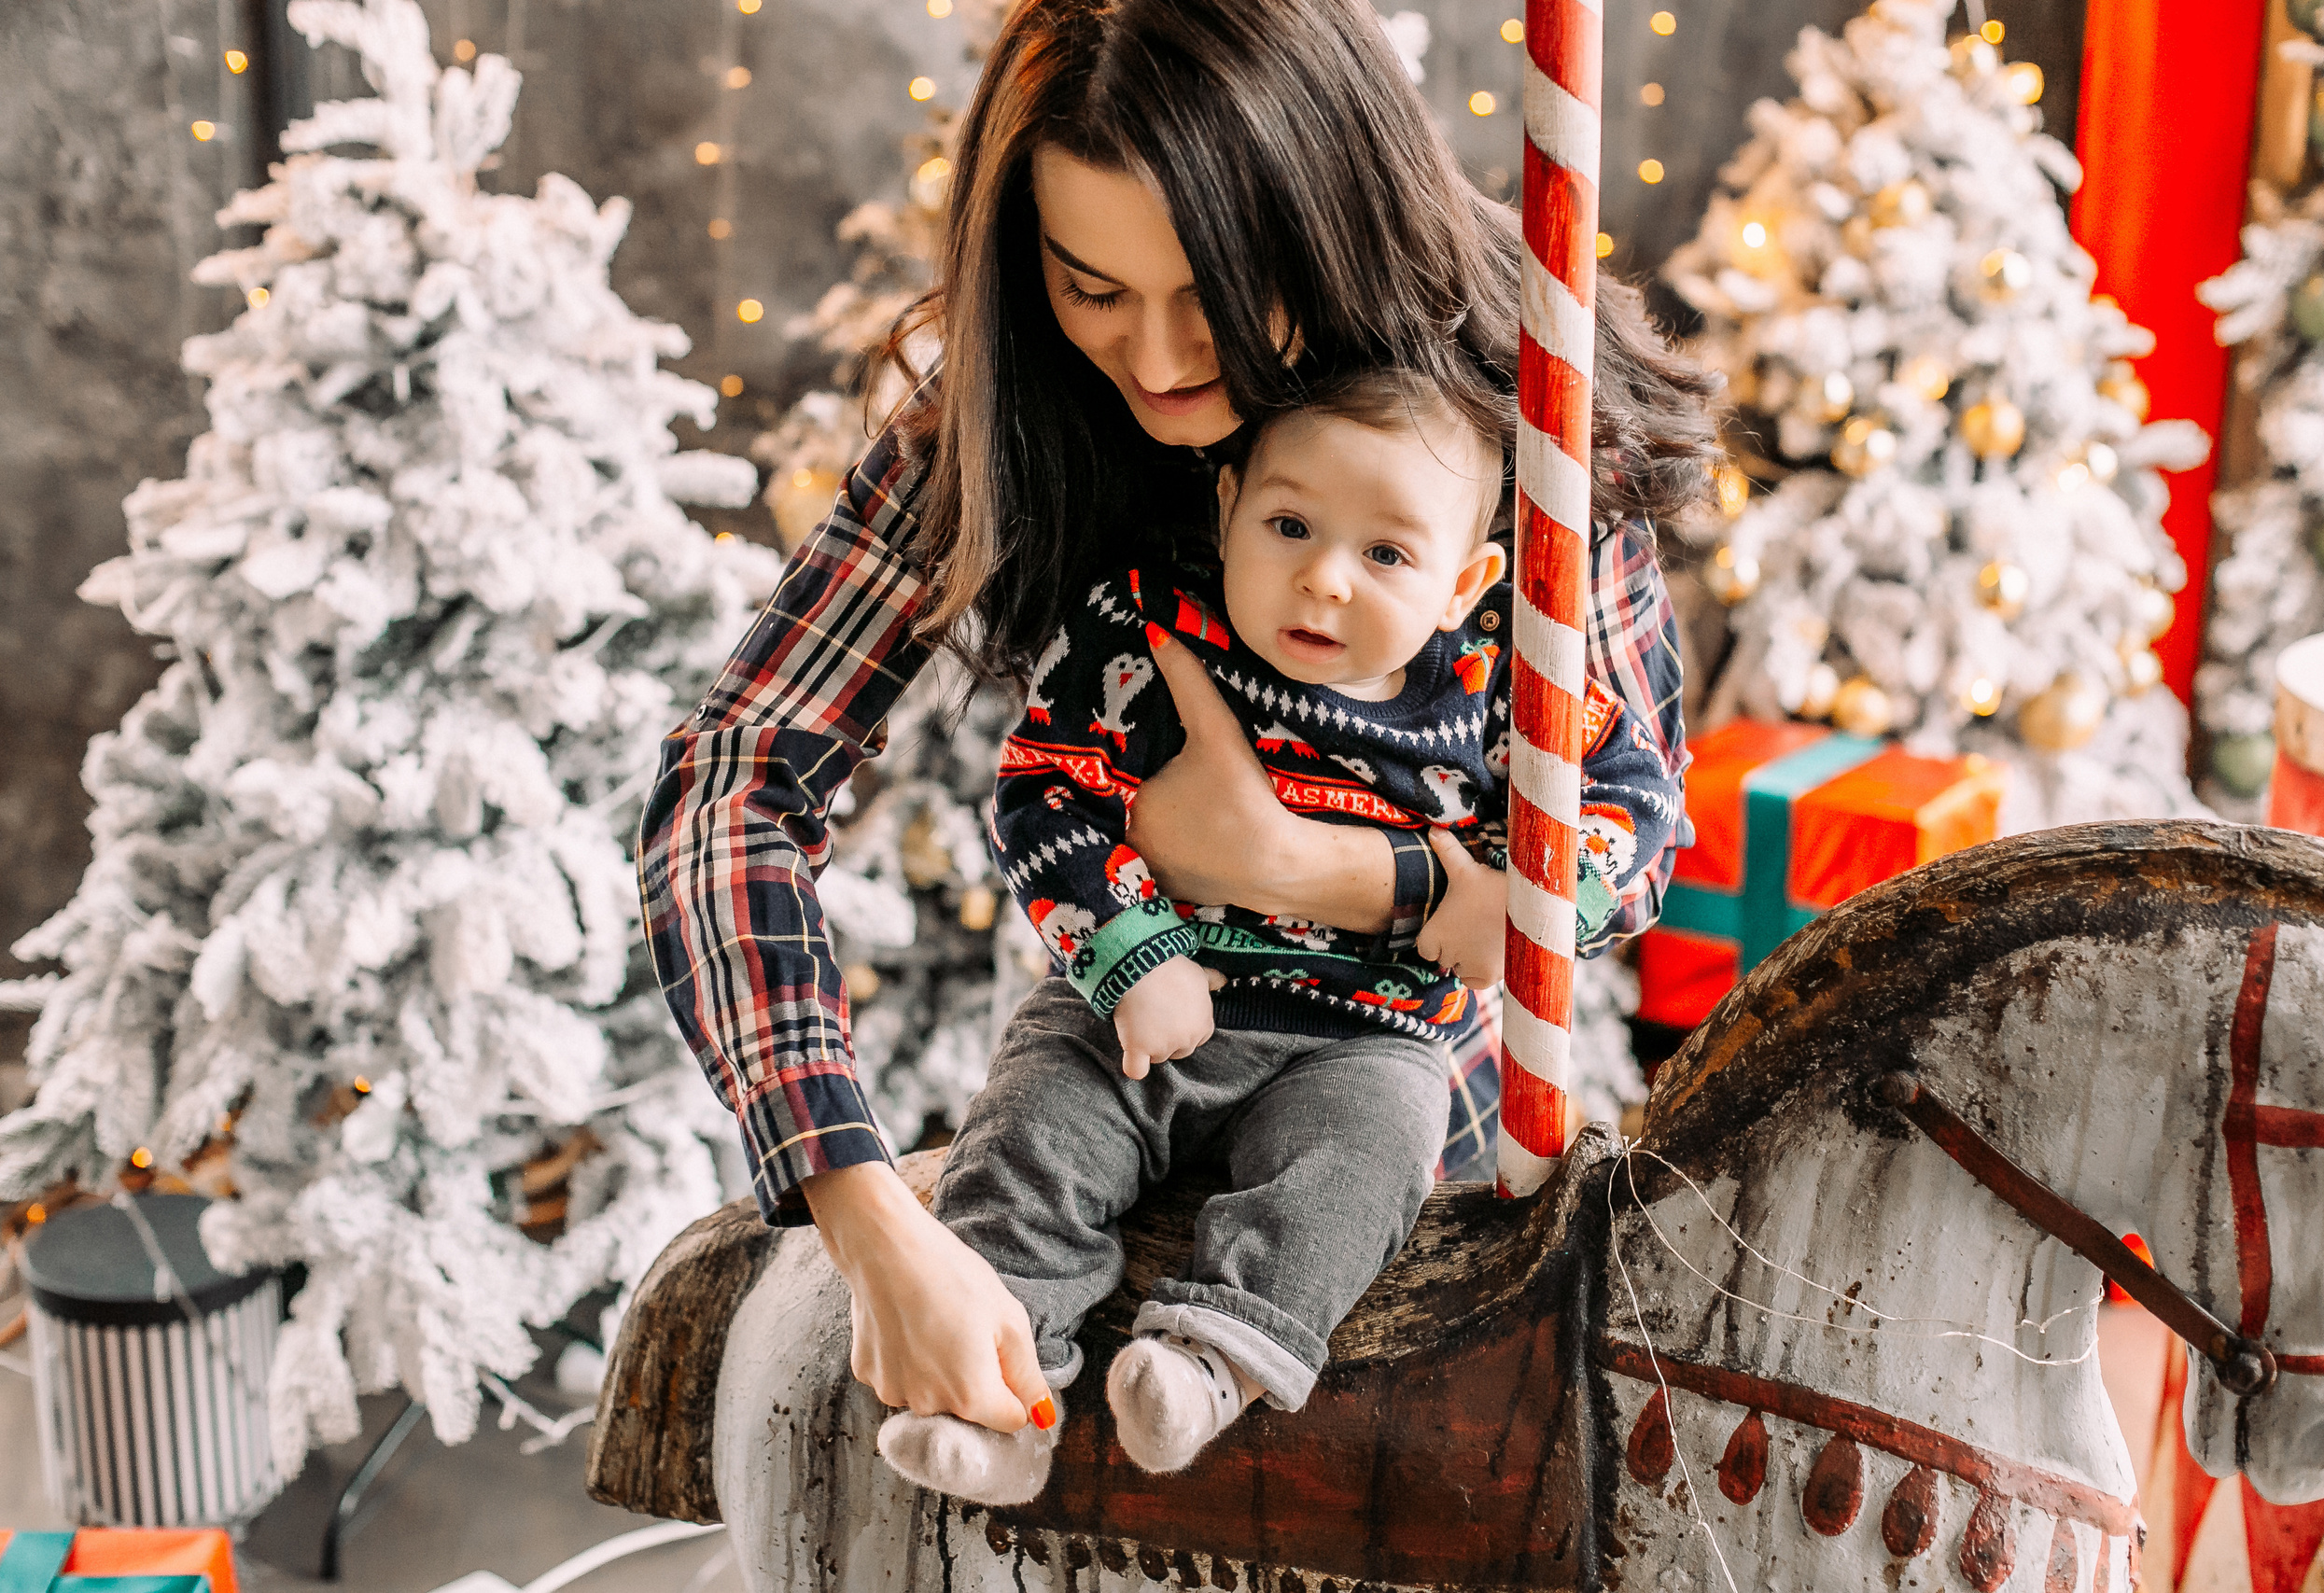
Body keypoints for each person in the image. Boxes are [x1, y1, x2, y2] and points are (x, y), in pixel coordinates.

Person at [639, 0, 1717, 1459]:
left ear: (1324, 221)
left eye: (1208, 293)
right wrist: (866, 1214)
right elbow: (732, 784)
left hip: (1422, 1147)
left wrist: (1320, 872)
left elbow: (1628, 822)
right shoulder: (1015, 407)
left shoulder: (1522, 411)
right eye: (1092, 287)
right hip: (1123, 1094)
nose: (1152, 360)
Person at [872, 368, 1678, 1505]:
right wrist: (1132, 954)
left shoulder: (1506, 683)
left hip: (1360, 1038)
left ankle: (1213, 1361)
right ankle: (1004, 1397)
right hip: (1145, 1020)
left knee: (1368, 1161)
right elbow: (1047, 790)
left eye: (1387, 556)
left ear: (1467, 582)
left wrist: (1540, 903)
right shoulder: (1150, 631)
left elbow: (1637, 800)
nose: (1323, 579)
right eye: (1288, 525)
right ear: (1227, 507)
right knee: (1030, 1134)